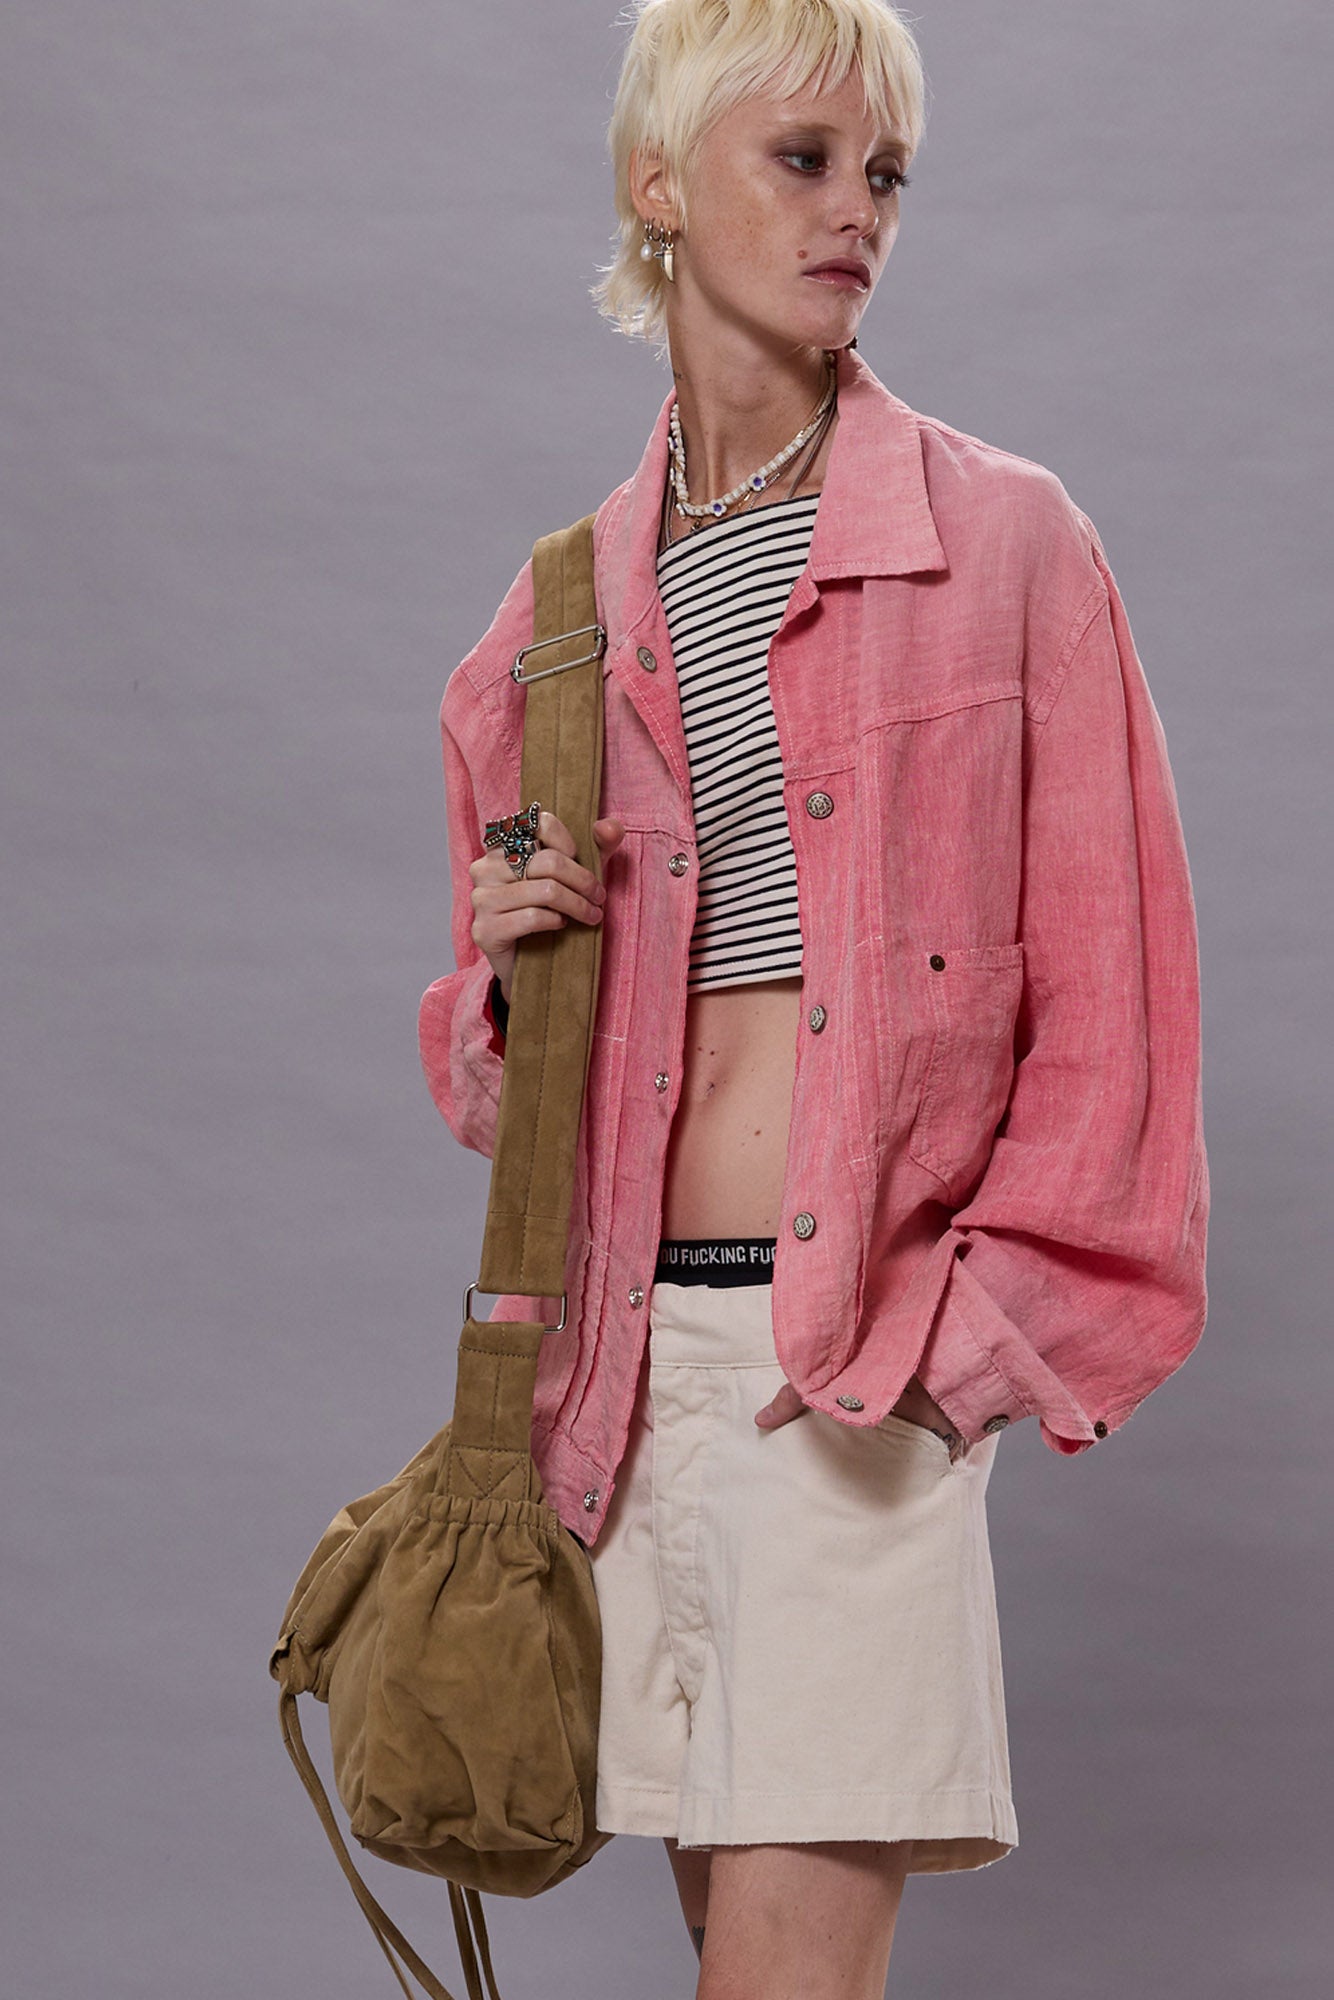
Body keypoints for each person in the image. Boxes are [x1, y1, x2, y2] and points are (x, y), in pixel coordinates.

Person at [418, 1, 1209, 1993]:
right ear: (658, 185)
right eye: (801, 159)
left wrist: (955, 1355)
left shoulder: (1003, 545)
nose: (856, 210)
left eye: (886, 175)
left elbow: (1116, 1021)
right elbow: (491, 1091)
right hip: (621, 1384)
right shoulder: (553, 626)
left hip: (845, 1367)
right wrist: (512, 971)